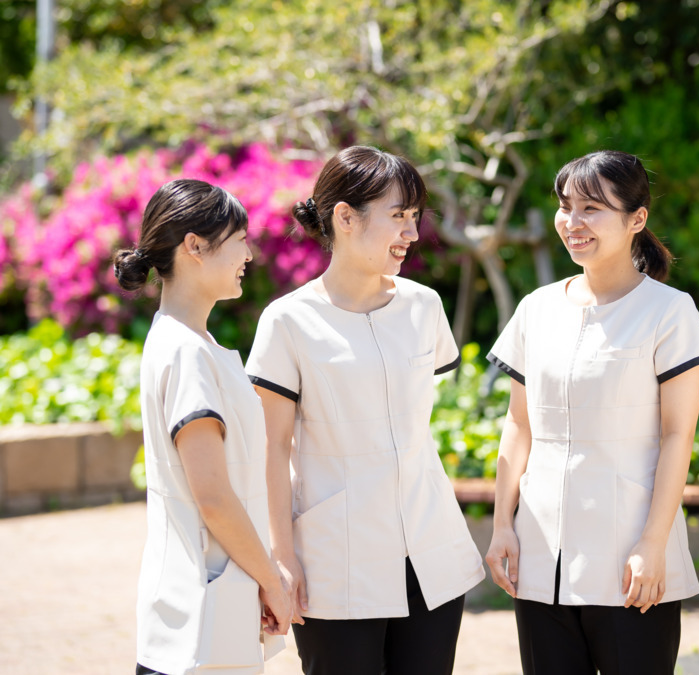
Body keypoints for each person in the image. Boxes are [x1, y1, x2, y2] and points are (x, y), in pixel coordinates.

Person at [245, 145, 485, 675]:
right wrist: (281, 558)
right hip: (338, 561)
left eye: (414, 216)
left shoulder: (425, 307)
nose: (412, 232)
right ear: (345, 217)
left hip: (430, 551)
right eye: (398, 215)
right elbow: (272, 450)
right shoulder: (287, 322)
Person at [485, 150, 699, 675]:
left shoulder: (670, 312)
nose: (573, 222)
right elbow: (519, 425)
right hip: (540, 557)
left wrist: (653, 543)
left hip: (630, 557)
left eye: (592, 208)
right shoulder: (536, 308)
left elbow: (678, 435)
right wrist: (503, 526)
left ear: (637, 219)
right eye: (566, 206)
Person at [115, 179, 291, 675]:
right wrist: (272, 582)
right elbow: (213, 496)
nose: (250, 254)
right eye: (239, 239)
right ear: (195, 246)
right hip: (198, 624)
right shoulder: (187, 352)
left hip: (197, 610)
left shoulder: (186, 341)